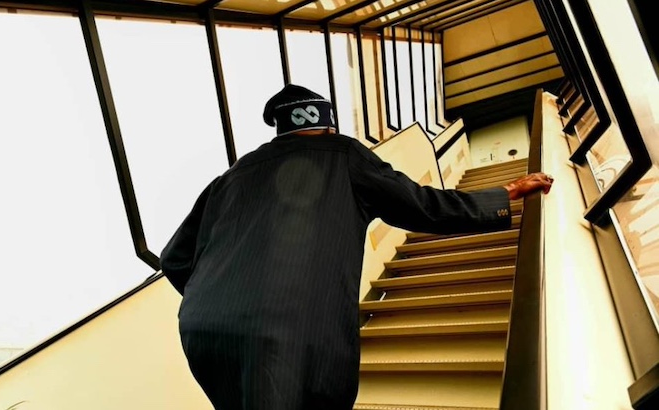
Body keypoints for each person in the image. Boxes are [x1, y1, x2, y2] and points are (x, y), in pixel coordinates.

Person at [160, 84, 554, 410]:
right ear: (328, 126)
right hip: (292, 331)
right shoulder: (344, 154)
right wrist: (503, 194)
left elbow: (174, 259)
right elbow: (423, 205)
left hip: (204, 329)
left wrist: (217, 298)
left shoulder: (231, 176)